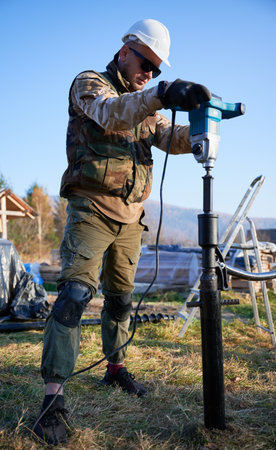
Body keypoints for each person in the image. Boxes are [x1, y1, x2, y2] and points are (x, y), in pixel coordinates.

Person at [33, 19, 211, 445]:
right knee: (75, 298)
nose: (149, 73)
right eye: (145, 63)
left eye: (156, 70)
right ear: (125, 49)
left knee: (120, 301)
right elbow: (113, 116)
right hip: (91, 210)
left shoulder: (144, 101)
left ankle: (115, 369)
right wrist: (160, 95)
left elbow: (171, 137)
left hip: (132, 218)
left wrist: (210, 127)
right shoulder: (90, 85)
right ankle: (51, 401)